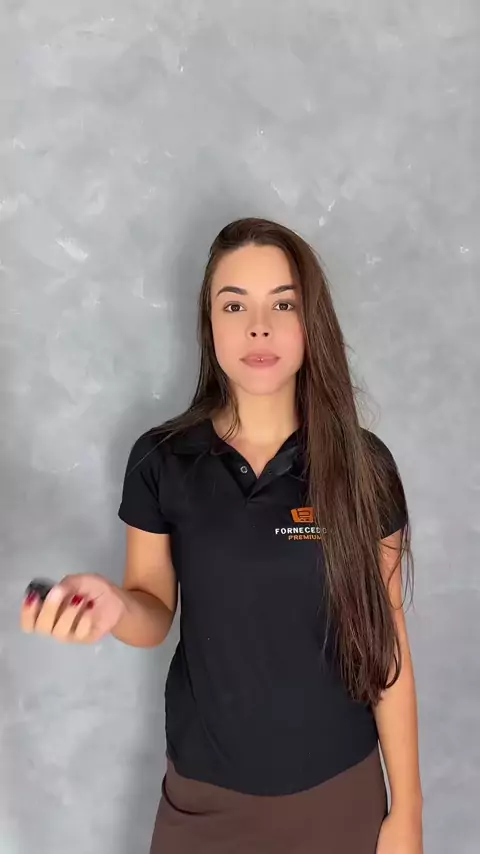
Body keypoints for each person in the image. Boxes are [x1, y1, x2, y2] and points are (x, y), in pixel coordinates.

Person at [20, 217, 423, 854]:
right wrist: (113, 604)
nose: (258, 327)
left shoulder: (363, 466)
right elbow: (152, 612)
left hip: (339, 797)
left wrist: (408, 813)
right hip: (203, 802)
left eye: (282, 304)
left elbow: (388, 645)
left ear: (310, 322)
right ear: (209, 324)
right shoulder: (161, 460)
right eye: (234, 305)